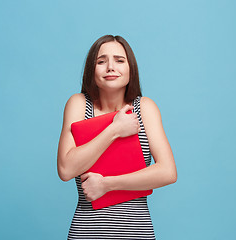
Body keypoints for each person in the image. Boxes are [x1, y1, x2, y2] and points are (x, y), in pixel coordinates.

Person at [57, 35, 177, 239]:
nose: (110, 67)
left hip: (137, 232)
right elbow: (66, 169)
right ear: (91, 70)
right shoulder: (78, 104)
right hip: (87, 232)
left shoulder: (145, 108)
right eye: (101, 61)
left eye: (119, 60)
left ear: (131, 68)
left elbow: (168, 172)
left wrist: (107, 184)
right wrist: (114, 130)